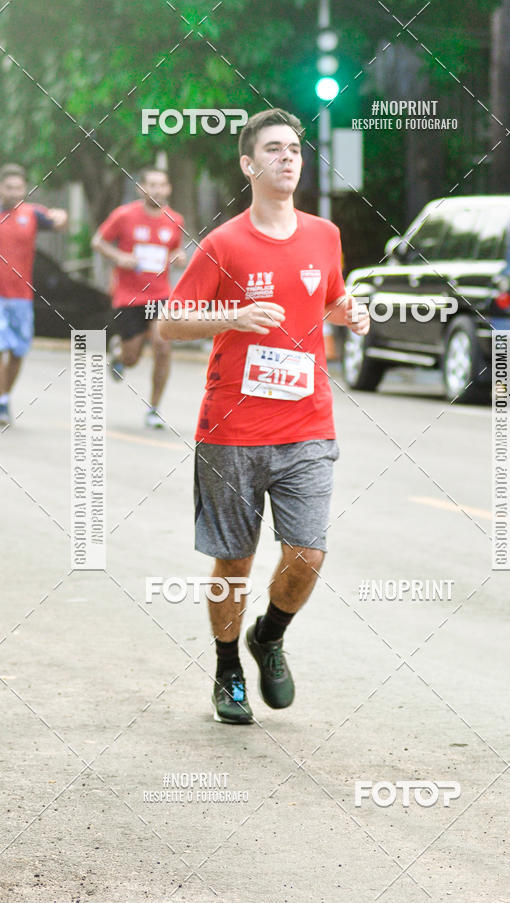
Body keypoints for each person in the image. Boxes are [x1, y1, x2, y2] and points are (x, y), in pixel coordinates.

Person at [159, 108, 370, 724]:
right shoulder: (224, 243)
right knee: (235, 561)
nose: (288, 157)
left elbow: (326, 301)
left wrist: (350, 314)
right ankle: (228, 668)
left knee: (308, 554)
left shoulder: (324, 235)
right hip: (233, 428)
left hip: (308, 423)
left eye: (296, 148)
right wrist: (231, 317)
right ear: (249, 164)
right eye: (274, 149)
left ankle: (268, 636)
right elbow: (171, 322)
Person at [92, 167, 186, 428]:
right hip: (129, 296)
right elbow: (98, 241)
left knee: (162, 347)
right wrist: (119, 257)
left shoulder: (175, 219)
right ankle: (121, 356)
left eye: (162, 185)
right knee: (133, 358)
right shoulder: (124, 215)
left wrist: (179, 258)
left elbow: (175, 250)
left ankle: (154, 409)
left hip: (160, 295)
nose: (157, 190)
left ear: (168, 189)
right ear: (140, 188)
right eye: (151, 185)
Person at [0, 163, 68, 427]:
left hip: (21, 296)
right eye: (9, 187)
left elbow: (58, 222)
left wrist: (61, 217)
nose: (14, 192)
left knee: (17, 350)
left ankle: (4, 398)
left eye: (19, 187)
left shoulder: (32, 214)